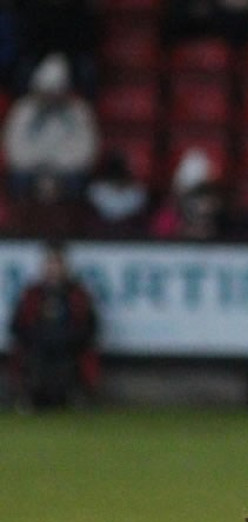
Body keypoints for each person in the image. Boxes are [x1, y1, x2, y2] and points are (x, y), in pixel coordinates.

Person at [8, 240, 100, 410]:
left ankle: (71, 396)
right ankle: (32, 397)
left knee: (67, 364)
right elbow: (16, 326)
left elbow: (90, 327)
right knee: (35, 361)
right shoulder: (32, 294)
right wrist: (38, 338)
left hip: (68, 349)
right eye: (49, 263)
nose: (53, 268)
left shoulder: (77, 295)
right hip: (38, 348)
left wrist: (67, 339)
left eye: (57, 263)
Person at [2, 52, 100, 201]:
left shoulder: (79, 110)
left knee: (78, 184)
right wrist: (40, 169)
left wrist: (57, 170)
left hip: (67, 171)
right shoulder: (23, 109)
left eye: (56, 92)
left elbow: (88, 149)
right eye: (46, 92)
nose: (51, 97)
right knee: (18, 181)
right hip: (31, 169)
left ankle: (71, 221)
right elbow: (12, 146)